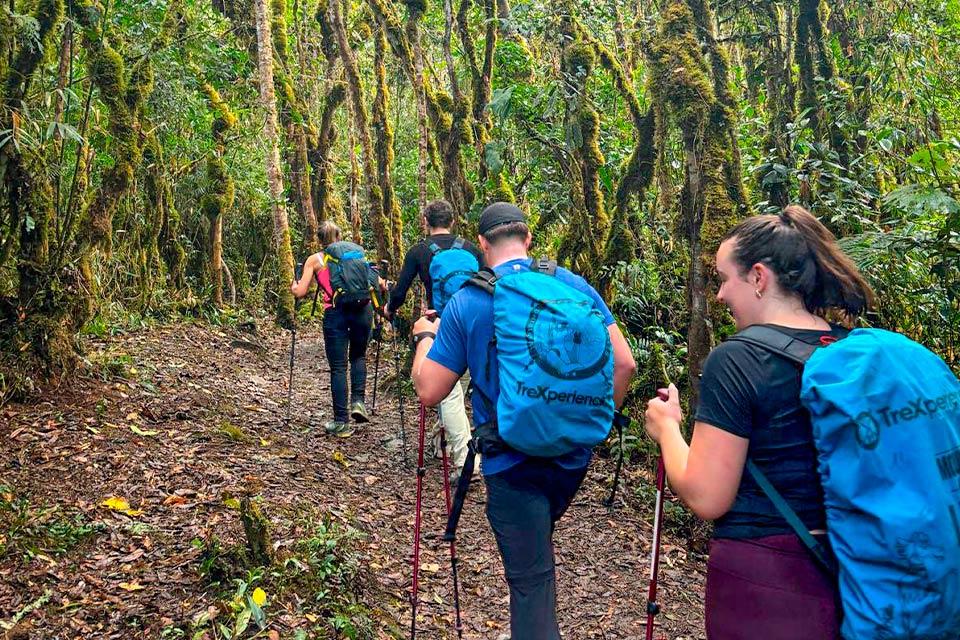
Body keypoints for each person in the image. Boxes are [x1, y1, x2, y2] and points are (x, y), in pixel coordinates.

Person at [643, 205, 874, 639]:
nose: (719, 295)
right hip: (854, 571)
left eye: (724, 279)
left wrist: (667, 428)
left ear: (758, 277)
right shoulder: (849, 350)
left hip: (766, 577)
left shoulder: (737, 359)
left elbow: (707, 495)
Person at [410, 202, 637, 639]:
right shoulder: (573, 285)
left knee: (531, 582)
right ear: (528, 238)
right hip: (572, 457)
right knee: (535, 558)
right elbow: (624, 363)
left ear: (481, 244)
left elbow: (429, 390)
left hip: (510, 461)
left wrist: (424, 337)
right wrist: (592, 422)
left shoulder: (468, 301)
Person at [384, 199, 483, 478]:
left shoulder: (419, 251)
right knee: (456, 389)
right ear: (453, 220)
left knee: (448, 395)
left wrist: (390, 308)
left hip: (443, 326)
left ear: (425, 221)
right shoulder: (471, 249)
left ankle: (466, 461)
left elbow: (400, 290)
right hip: (475, 323)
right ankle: (444, 441)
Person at [291, 221, 379, 437]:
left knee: (338, 367)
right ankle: (358, 402)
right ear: (339, 237)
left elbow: (301, 292)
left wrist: (294, 287)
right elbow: (375, 280)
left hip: (335, 313)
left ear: (320, 239)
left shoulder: (315, 260)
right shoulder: (355, 254)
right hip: (363, 310)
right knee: (358, 356)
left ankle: (341, 422)